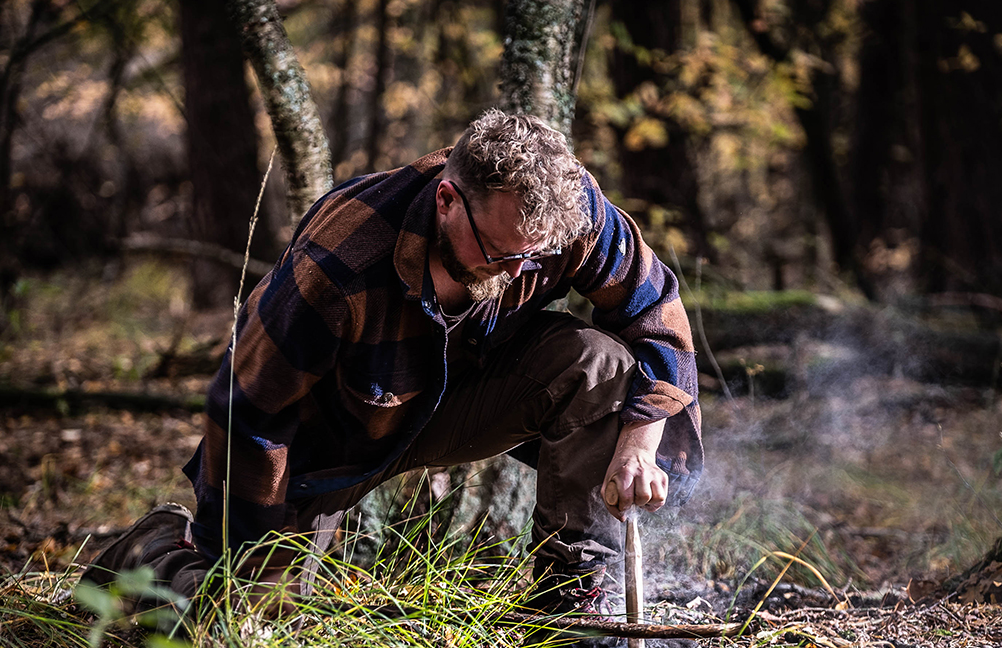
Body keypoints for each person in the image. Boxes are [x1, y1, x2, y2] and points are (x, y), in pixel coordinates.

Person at [82, 109, 703, 622]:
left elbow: (658, 316)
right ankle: (158, 548)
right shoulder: (340, 260)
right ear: (447, 201)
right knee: (241, 622)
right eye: (500, 254)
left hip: (459, 395)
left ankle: (570, 606)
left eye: (534, 259)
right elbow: (248, 411)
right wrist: (253, 565)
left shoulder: (564, 220)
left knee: (597, 365)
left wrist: (640, 446)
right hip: (328, 445)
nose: (518, 272)